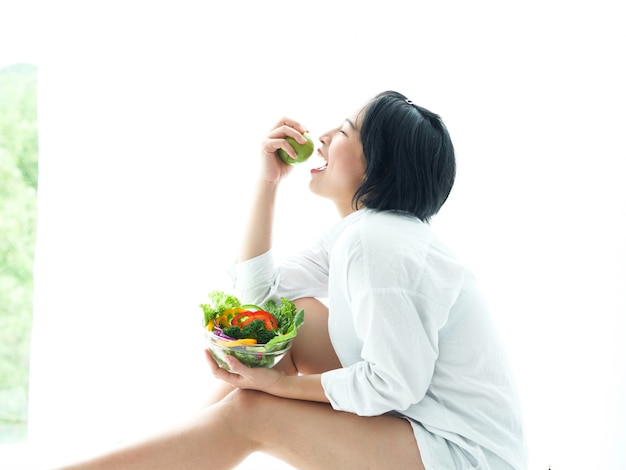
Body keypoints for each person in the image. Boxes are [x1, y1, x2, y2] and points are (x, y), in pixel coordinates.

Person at [55, 90, 527, 469]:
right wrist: (267, 184)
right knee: (290, 321)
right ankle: (172, 451)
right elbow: (259, 301)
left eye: (344, 131)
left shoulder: (379, 242)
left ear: (378, 165)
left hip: (462, 456)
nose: (321, 137)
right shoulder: (361, 236)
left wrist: (277, 388)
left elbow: (394, 385)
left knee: (253, 411)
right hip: (419, 429)